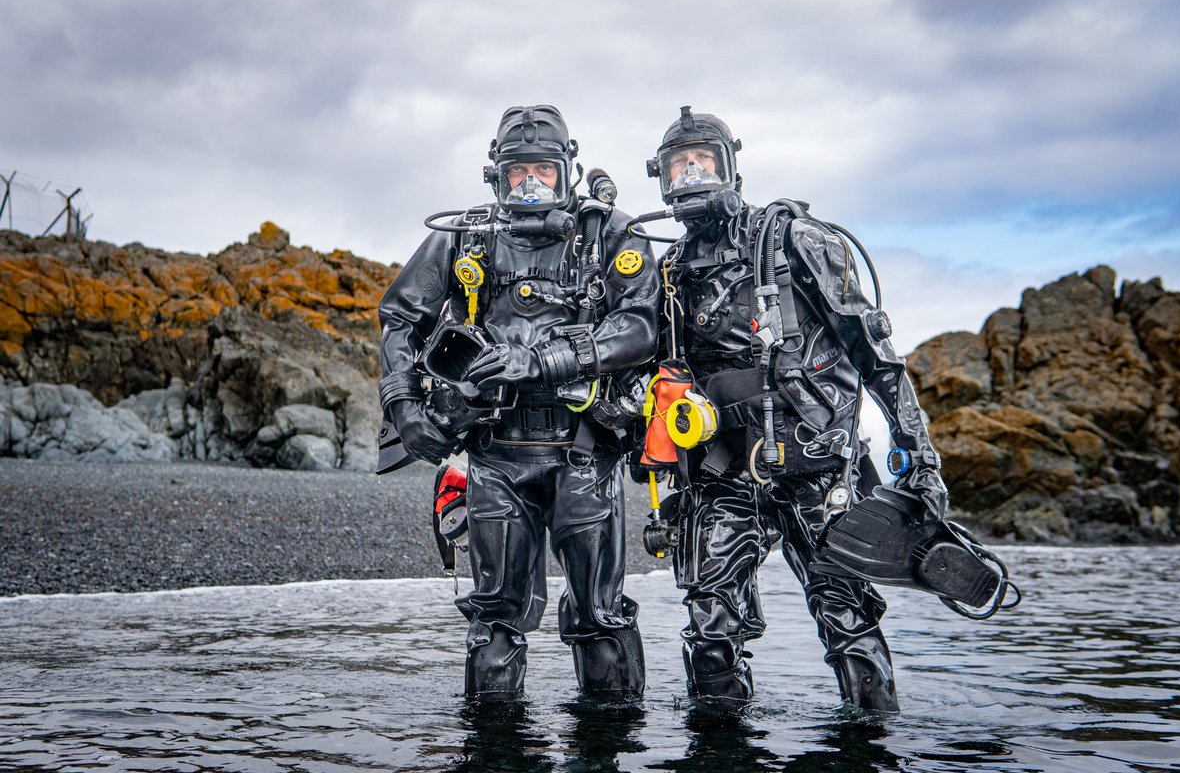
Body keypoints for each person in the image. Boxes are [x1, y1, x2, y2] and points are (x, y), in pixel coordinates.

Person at [636, 106, 953, 711]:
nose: (693, 175)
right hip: (721, 471)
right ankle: (720, 752)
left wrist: (920, 456)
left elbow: (876, 356)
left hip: (816, 467)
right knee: (709, 626)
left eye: (705, 160)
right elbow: (658, 384)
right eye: (680, 166)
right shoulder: (672, 273)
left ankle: (871, 744)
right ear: (662, 179)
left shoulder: (795, 243)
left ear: (732, 168)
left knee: (846, 617)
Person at [377, 105, 659, 701]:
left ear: (568, 170)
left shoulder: (610, 233)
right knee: (495, 623)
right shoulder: (465, 238)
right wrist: (403, 406)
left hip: (585, 451)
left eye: (544, 172)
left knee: (599, 619)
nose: (531, 185)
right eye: (518, 173)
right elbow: (400, 316)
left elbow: (639, 327)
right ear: (496, 177)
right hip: (495, 455)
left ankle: (609, 746)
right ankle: (495, 749)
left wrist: (545, 360)